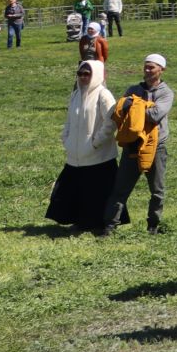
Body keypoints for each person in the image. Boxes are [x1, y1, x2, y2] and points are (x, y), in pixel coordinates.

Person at [104, 54, 174, 235]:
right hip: (132, 144)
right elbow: (118, 109)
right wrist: (141, 106)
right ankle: (110, 226)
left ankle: (153, 225)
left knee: (157, 190)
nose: (147, 70)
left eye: (152, 67)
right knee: (120, 188)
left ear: (161, 70)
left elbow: (155, 115)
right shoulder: (133, 89)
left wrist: (133, 106)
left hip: (156, 147)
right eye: (146, 66)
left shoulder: (166, 93)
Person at [48, 59, 119, 231]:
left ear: (96, 75)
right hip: (75, 155)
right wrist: (66, 138)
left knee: (96, 193)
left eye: (87, 74)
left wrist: (96, 143)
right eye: (80, 74)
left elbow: (111, 122)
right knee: (75, 190)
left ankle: (99, 223)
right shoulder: (76, 94)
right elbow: (69, 120)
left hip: (98, 157)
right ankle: (80, 221)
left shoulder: (104, 94)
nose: (83, 77)